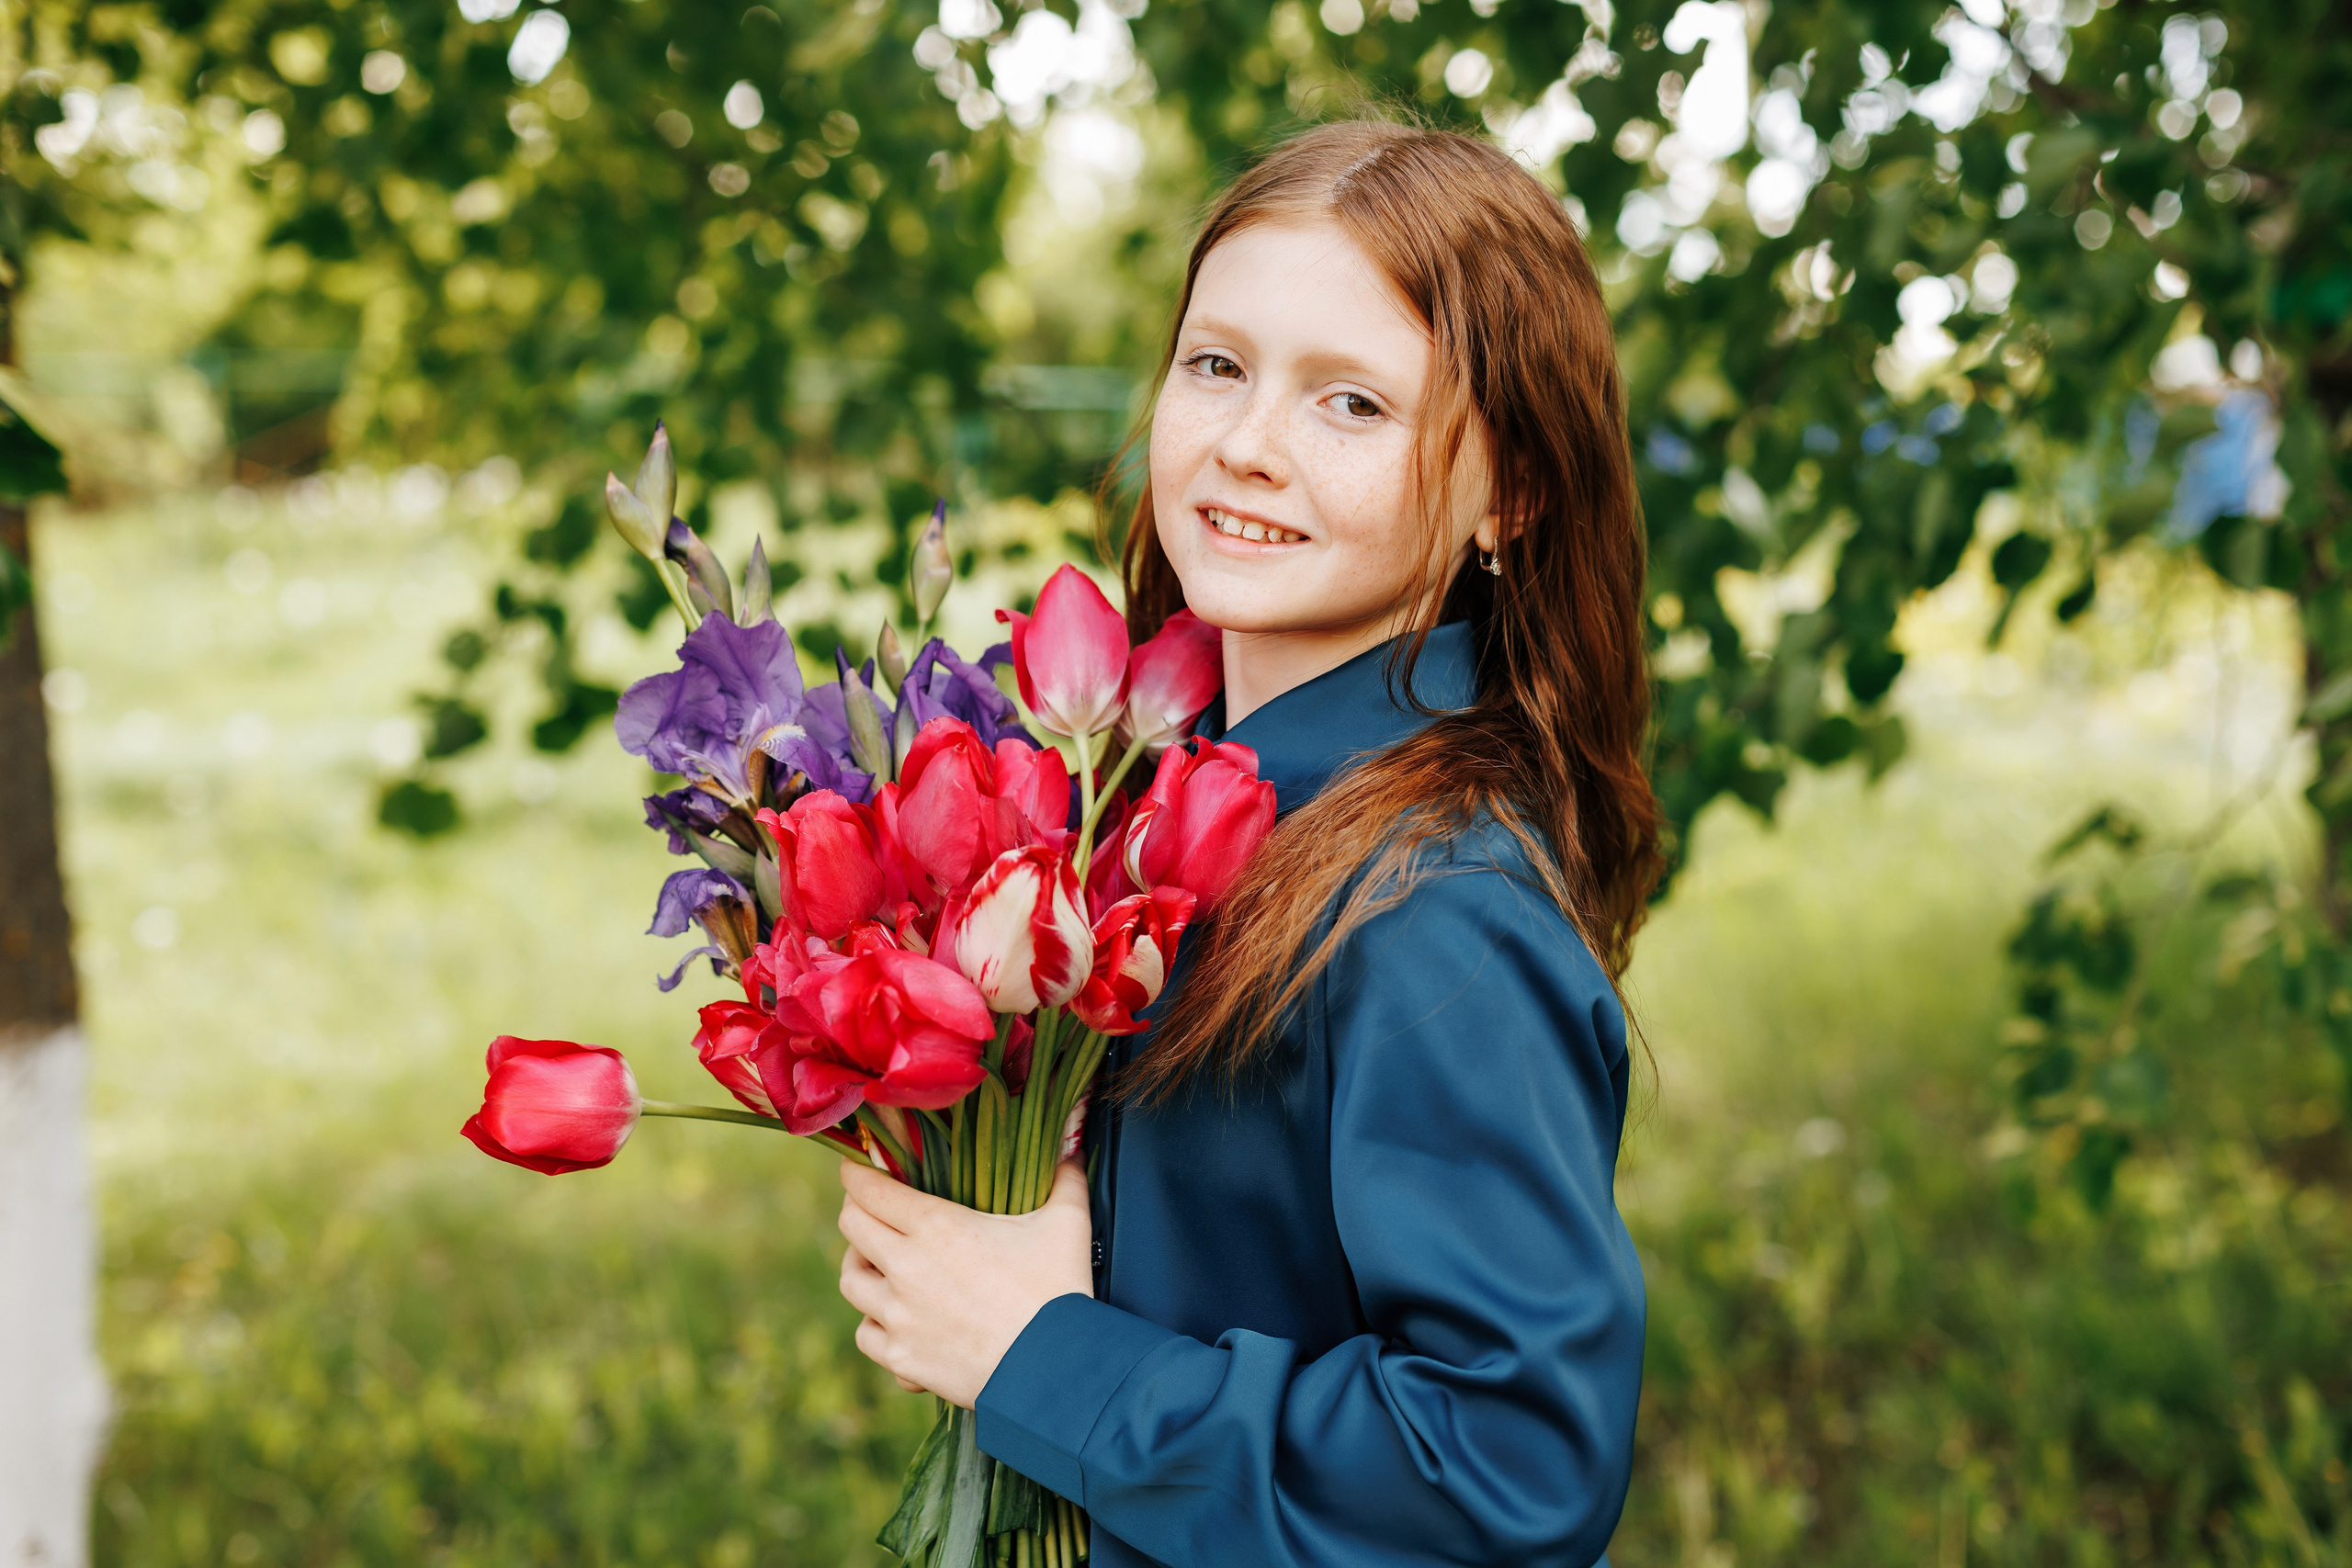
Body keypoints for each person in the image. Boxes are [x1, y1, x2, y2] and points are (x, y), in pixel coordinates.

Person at [832, 118, 1658, 1567]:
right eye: (1217, 365)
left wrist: (1042, 1354)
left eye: (1352, 404)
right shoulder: (1125, 805)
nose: (1247, 446)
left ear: (1511, 494)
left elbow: (1510, 1474)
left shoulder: (1433, 907)